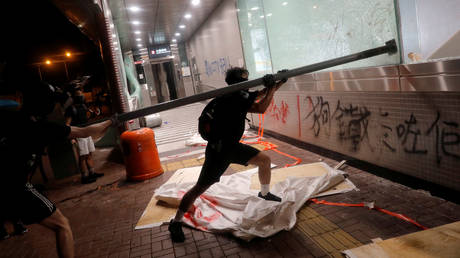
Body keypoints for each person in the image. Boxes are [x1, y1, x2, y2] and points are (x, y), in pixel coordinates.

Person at [168, 67, 287, 242]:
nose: (248, 84)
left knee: (264, 160)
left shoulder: (234, 95)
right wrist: (271, 89)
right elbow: (261, 107)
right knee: (199, 188)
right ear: (238, 82)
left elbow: (259, 95)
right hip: (220, 151)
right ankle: (176, 222)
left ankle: (264, 193)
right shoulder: (234, 97)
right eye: (245, 80)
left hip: (230, 147)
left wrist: (279, 83)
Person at [0, 78, 114, 258]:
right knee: (62, 225)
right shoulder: (42, 127)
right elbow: (87, 132)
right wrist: (111, 122)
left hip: (7, 186)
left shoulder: (12, 118)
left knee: (10, 225)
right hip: (16, 187)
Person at [65, 84, 104, 184]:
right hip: (78, 134)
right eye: (79, 94)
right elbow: (67, 125)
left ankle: (92, 172)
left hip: (87, 132)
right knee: (82, 156)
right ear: (74, 97)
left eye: (81, 94)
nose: (81, 96)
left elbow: (89, 115)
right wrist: (71, 138)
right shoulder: (71, 109)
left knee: (89, 154)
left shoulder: (83, 106)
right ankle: (84, 176)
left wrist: (95, 112)